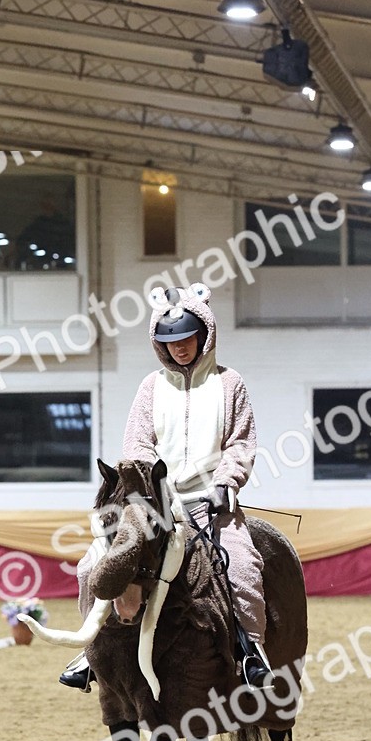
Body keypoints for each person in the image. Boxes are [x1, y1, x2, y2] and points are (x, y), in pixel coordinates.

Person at [61, 282, 274, 693]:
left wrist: (227, 483)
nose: (179, 347)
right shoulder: (150, 387)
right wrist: (143, 490)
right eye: (169, 340)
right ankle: (89, 653)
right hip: (159, 505)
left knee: (243, 565)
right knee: (93, 564)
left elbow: (241, 443)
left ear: (204, 334)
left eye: (186, 338)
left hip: (212, 502)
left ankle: (252, 653)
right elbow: (138, 443)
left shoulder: (231, 384)